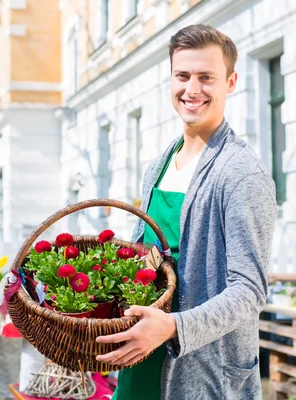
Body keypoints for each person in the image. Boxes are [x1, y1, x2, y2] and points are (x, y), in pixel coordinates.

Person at [96, 24, 277, 400]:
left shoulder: (242, 174)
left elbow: (249, 290)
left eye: (206, 77)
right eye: (183, 76)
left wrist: (173, 327)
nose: (192, 89)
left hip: (204, 373)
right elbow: (145, 257)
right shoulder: (158, 167)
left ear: (230, 82)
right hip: (141, 360)